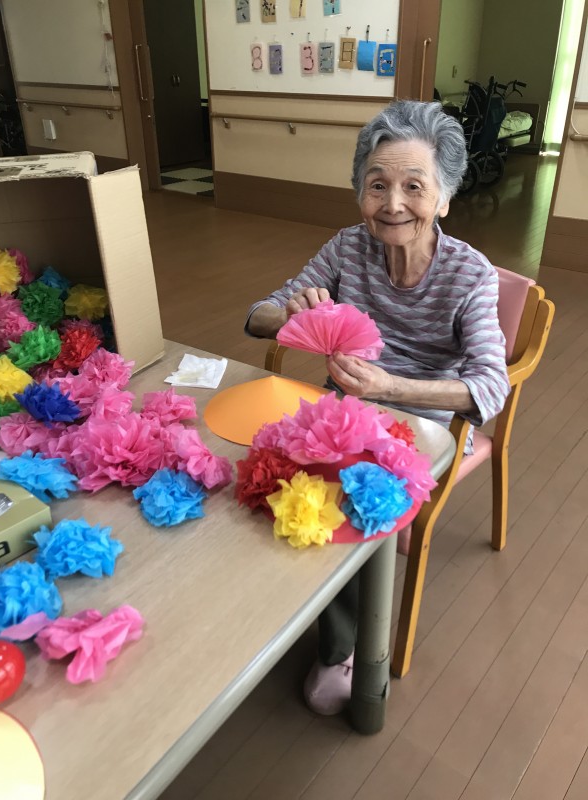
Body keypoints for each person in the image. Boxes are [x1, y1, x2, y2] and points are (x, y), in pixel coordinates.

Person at [245, 100, 510, 715]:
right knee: (273, 468)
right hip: (349, 410)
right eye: (377, 185)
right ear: (359, 192)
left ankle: (345, 649)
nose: (393, 204)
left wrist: (389, 386)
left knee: (346, 494)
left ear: (445, 198)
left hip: (429, 421)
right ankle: (293, 596)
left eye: (414, 186)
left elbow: (488, 388)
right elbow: (258, 315)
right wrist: (290, 313)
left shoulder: (470, 274)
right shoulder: (347, 248)